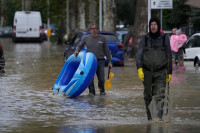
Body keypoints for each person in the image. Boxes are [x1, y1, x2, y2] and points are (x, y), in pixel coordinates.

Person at [136, 17, 172, 120]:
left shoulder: (165, 38)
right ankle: (149, 118)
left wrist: (169, 72)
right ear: (149, 26)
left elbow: (169, 55)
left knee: (160, 94)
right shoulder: (145, 39)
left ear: (158, 26)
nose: (153, 26)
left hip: (161, 72)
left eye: (155, 24)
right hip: (147, 72)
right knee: (147, 95)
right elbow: (139, 55)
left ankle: (159, 118)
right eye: (151, 24)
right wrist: (139, 69)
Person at [74, 24, 113, 96]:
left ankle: (102, 91)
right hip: (90, 62)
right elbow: (80, 46)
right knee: (89, 79)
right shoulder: (86, 38)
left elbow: (107, 51)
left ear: (97, 30)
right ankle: (92, 92)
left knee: (101, 78)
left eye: (95, 28)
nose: (94, 30)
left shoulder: (102, 38)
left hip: (100, 61)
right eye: (92, 29)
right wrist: (77, 51)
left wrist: (110, 61)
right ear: (90, 30)